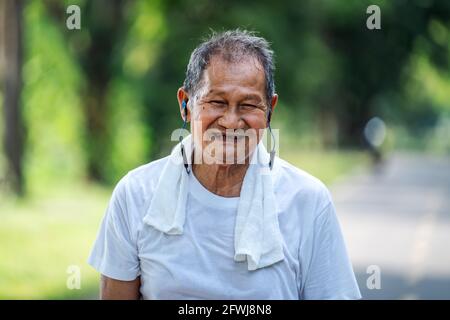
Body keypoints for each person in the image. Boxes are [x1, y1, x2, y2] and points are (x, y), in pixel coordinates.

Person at [88, 29, 361, 300]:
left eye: (248, 105)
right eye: (217, 102)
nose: (231, 122)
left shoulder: (307, 201)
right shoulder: (135, 195)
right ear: (186, 105)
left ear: (269, 111)